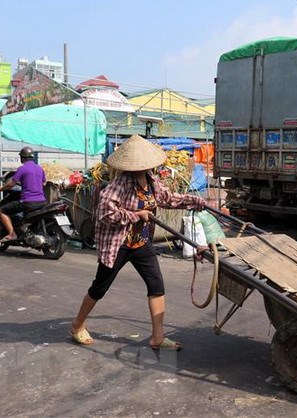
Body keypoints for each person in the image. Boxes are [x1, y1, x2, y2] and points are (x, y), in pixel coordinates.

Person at [70, 135, 206, 351]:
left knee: (156, 286)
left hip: (141, 243)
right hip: (119, 244)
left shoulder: (151, 180)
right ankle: (77, 325)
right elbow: (105, 213)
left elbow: (168, 199)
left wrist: (194, 201)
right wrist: (136, 215)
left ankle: (157, 337)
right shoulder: (120, 184)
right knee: (100, 287)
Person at [0, 146, 47, 242]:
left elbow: (11, 184)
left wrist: (1, 188)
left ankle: (12, 234)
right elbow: (44, 183)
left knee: (2, 210)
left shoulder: (22, 169)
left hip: (28, 202)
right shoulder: (40, 168)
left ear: (22, 158)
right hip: (42, 201)